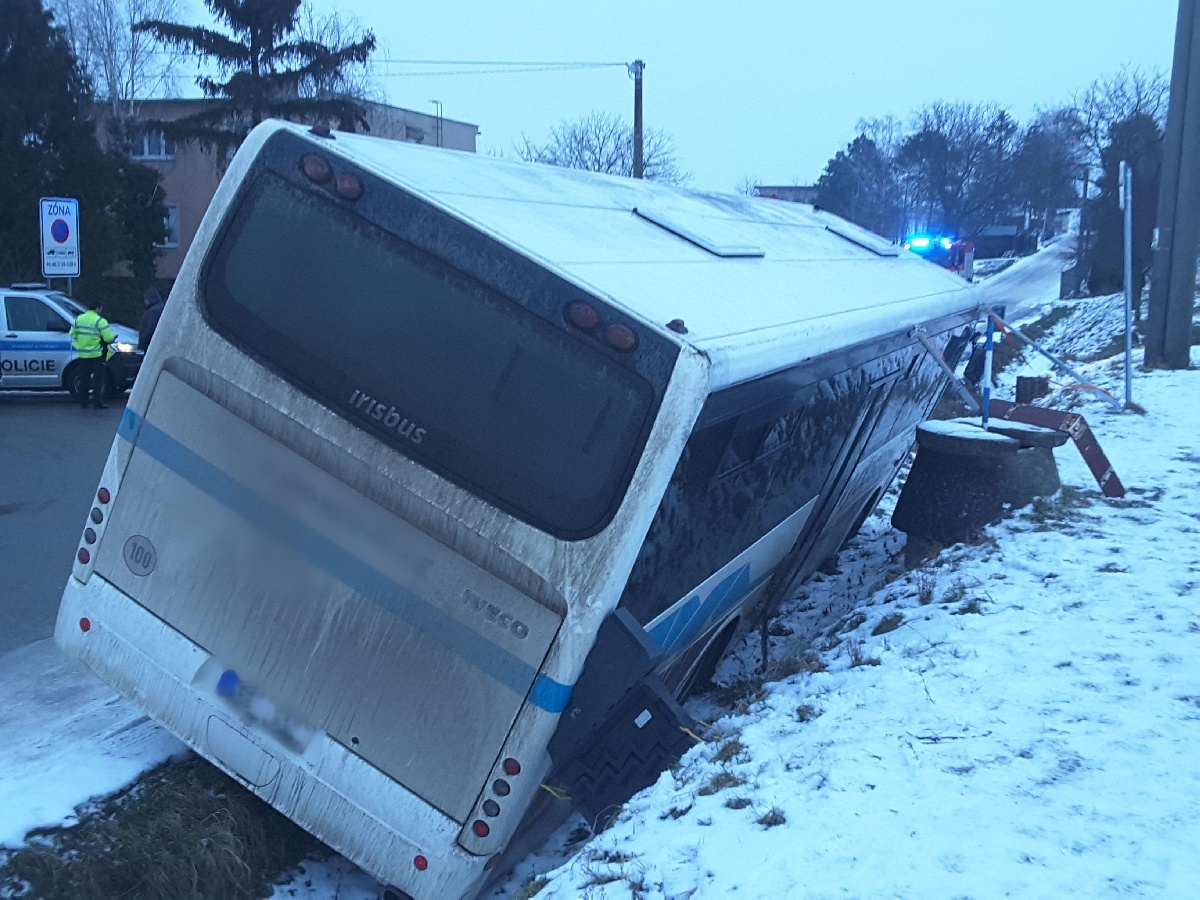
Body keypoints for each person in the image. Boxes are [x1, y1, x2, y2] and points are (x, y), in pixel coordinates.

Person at [69, 300, 116, 410]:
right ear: (98, 308)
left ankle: (83, 403)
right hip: (96, 354)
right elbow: (108, 338)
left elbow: (72, 334)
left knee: (84, 379)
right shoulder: (100, 321)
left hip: (83, 355)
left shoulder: (78, 319)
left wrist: (80, 345)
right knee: (97, 379)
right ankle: (97, 403)